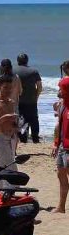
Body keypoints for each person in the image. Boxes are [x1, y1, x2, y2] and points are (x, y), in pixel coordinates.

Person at [0, 74, 20, 172]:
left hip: (11, 138)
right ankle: (2, 187)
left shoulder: (11, 102)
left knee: (10, 165)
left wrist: (16, 126)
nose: (8, 90)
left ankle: (8, 187)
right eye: (5, 87)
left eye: (10, 88)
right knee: (3, 167)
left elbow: (13, 122)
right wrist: (4, 118)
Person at [14, 53, 42, 143]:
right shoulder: (34, 71)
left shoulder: (13, 71)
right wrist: (36, 97)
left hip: (18, 100)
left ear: (18, 61)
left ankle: (23, 138)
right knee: (33, 119)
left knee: (21, 119)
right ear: (27, 60)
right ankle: (35, 138)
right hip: (31, 100)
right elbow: (40, 87)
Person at [52, 77, 69, 213]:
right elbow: (59, 126)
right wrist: (56, 144)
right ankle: (61, 207)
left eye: (61, 89)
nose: (59, 92)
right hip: (63, 146)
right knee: (60, 173)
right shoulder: (62, 104)